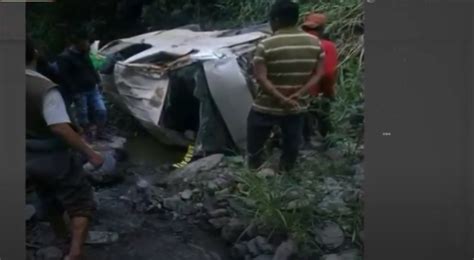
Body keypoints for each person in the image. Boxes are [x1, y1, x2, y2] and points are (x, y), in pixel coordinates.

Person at [26, 37, 105, 260]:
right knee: (81, 202)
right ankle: (75, 252)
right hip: (52, 155)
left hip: (26, 156)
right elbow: (60, 127)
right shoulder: (43, 88)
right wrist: (91, 154)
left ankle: (61, 238)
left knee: (47, 197)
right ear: (35, 53)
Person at [247, 0, 325, 172]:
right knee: (291, 144)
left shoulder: (265, 45)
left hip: (266, 106)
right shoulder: (315, 43)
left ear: (275, 20)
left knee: (255, 144)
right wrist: (297, 95)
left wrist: (281, 98)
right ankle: (286, 175)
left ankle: (254, 174)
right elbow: (318, 74)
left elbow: (261, 78)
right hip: (296, 106)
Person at [56, 32, 109, 142]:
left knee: (101, 110)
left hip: (92, 88)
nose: (88, 44)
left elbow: (91, 68)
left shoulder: (84, 53)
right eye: (85, 42)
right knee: (82, 114)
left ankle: (101, 132)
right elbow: (65, 77)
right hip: (80, 91)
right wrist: (74, 91)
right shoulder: (64, 58)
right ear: (78, 43)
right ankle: (87, 133)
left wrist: (98, 81)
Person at [301, 13, 339, 150]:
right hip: (316, 94)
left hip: (293, 95)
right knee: (323, 123)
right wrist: (328, 92)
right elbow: (328, 74)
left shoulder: (294, 45)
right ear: (323, 29)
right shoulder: (327, 46)